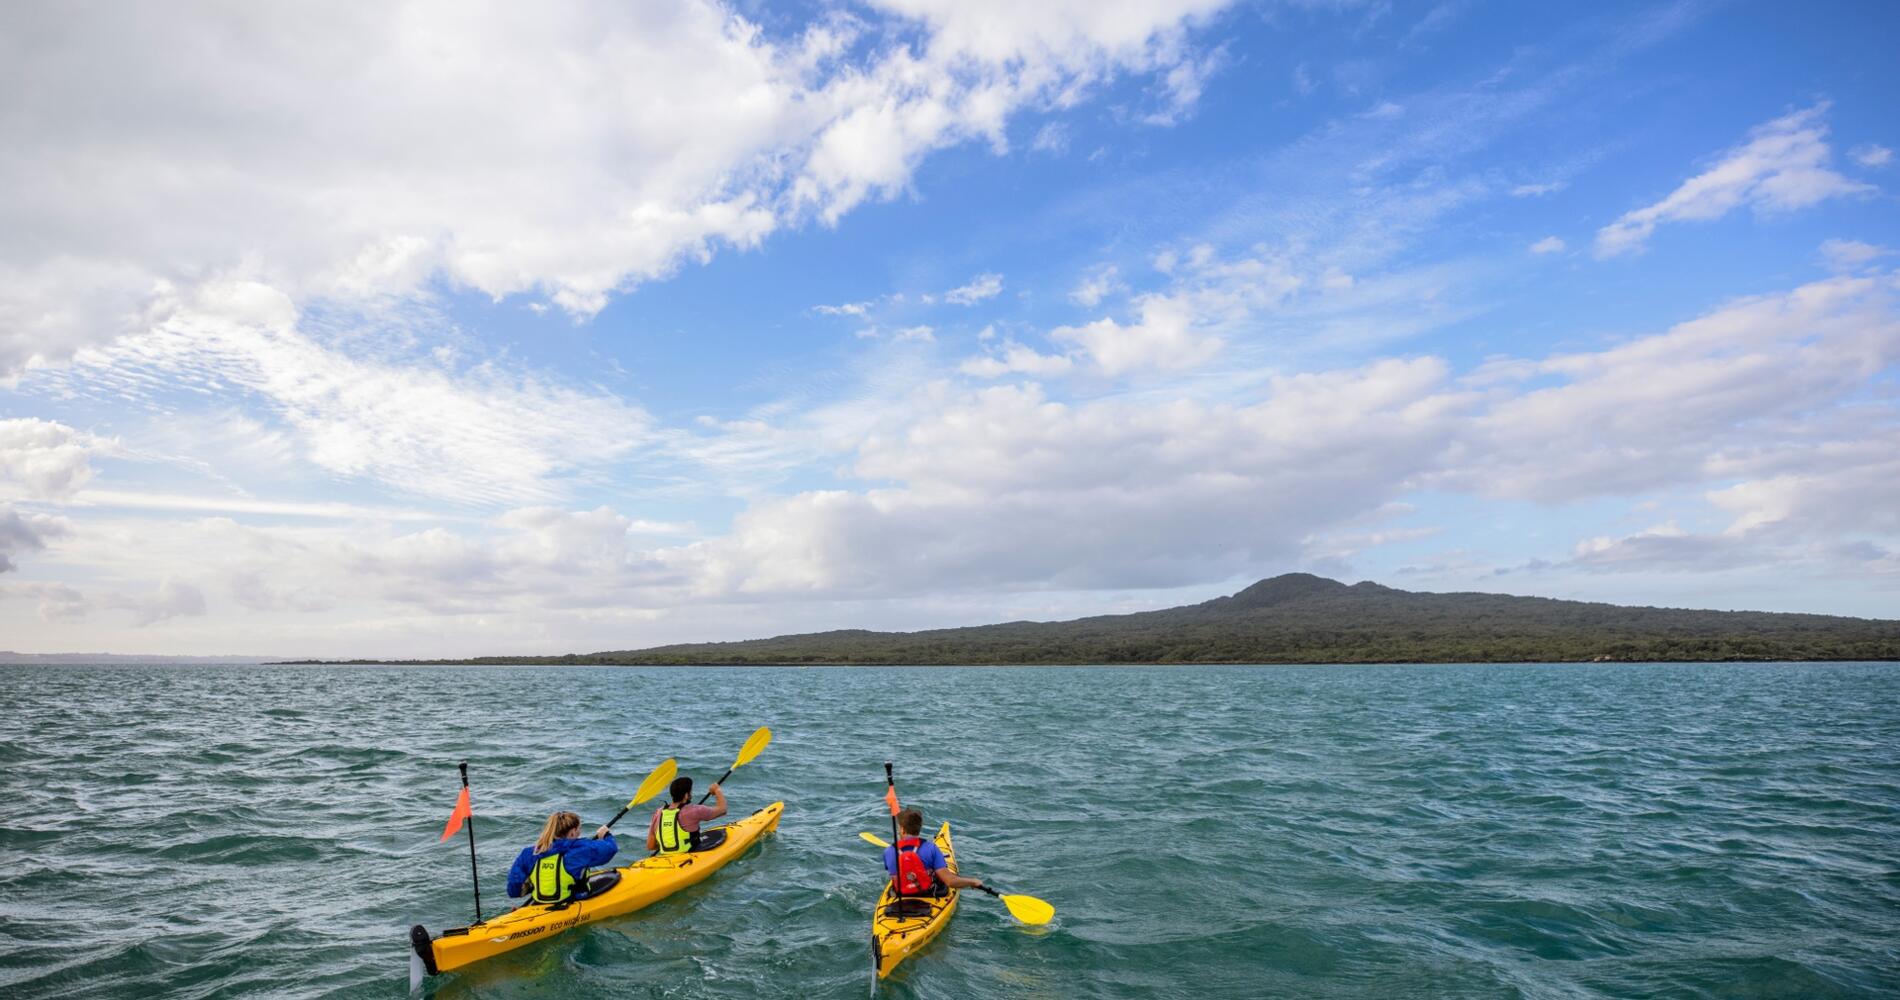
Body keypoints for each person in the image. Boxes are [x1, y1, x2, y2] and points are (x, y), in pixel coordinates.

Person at [506, 811, 618, 905]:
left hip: (539, 903)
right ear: (573, 832)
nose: (580, 832)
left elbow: (514, 889)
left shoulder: (529, 853)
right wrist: (606, 835)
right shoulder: (579, 849)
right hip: (571, 901)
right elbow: (611, 849)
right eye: (579, 828)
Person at [884, 807, 984, 897]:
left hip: (900, 895)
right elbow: (950, 882)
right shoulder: (931, 848)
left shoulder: (889, 851)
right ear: (919, 827)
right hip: (927, 893)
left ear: (902, 829)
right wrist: (972, 882)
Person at [647, 775, 727, 855]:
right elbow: (723, 810)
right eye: (690, 792)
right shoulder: (695, 810)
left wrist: (669, 843)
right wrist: (717, 790)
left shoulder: (658, 813)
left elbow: (651, 846)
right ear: (686, 795)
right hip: (689, 856)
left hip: (667, 858)